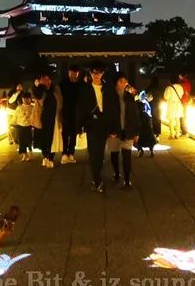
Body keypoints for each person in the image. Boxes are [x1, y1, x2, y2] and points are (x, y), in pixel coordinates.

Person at [77, 61, 113, 192]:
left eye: (99, 72)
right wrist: (79, 127)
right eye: (94, 72)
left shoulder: (107, 88)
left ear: (102, 73)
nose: (96, 75)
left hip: (103, 123)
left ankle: (97, 177)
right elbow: (80, 108)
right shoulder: (86, 88)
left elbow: (112, 108)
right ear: (90, 73)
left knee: (100, 153)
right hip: (91, 123)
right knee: (93, 153)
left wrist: (113, 127)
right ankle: (96, 179)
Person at [104, 73, 141, 188]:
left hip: (128, 130)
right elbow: (106, 115)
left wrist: (136, 132)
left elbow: (135, 115)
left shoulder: (129, 97)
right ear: (115, 82)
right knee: (114, 154)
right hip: (114, 131)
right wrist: (108, 131)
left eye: (125, 81)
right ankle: (116, 173)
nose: (123, 83)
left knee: (127, 155)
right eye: (121, 81)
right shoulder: (109, 96)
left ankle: (127, 178)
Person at [33, 73, 58, 168]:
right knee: (43, 137)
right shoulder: (38, 90)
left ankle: (51, 158)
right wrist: (39, 86)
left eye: (48, 79)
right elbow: (37, 96)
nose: (47, 81)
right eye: (44, 79)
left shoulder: (54, 90)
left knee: (52, 137)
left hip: (53, 117)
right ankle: (45, 156)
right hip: (42, 117)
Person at [59, 65, 83, 163]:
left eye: (75, 73)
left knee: (74, 134)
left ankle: (71, 153)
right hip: (65, 111)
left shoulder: (81, 84)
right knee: (65, 134)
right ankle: (64, 153)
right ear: (69, 73)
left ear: (78, 73)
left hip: (77, 112)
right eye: (72, 72)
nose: (74, 74)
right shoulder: (63, 83)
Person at [133, 86, 157, 157]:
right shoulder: (147, 103)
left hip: (140, 128)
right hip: (147, 122)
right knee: (149, 138)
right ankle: (151, 151)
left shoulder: (138, 105)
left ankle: (141, 151)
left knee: (138, 140)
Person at [163, 75, 185, 139]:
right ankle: (177, 134)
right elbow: (181, 95)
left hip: (171, 104)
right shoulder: (180, 87)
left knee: (171, 120)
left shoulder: (169, 88)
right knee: (177, 120)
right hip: (178, 104)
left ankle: (172, 134)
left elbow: (166, 97)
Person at [15, 92, 34, 161]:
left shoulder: (32, 107)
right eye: (24, 98)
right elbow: (16, 116)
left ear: (30, 99)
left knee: (28, 140)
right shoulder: (19, 107)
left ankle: (30, 152)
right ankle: (24, 154)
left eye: (27, 98)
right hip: (20, 125)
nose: (26, 100)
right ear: (22, 99)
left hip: (29, 126)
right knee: (21, 141)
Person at [146, 76, 162, 142]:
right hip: (158, 106)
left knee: (150, 120)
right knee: (157, 120)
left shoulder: (149, 88)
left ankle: (150, 134)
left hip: (150, 106)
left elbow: (146, 97)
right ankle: (157, 134)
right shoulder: (159, 89)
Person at [178, 72, 192, 137]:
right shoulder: (188, 83)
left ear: (181, 76)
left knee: (181, 117)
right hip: (185, 102)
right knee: (184, 116)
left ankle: (184, 130)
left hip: (181, 101)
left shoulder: (181, 84)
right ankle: (184, 130)